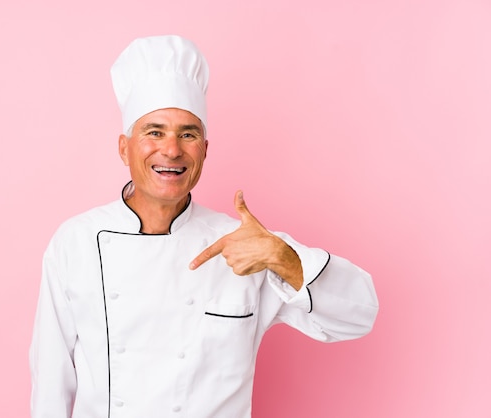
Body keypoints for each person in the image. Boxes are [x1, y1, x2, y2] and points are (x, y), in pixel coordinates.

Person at [29, 35, 378, 418]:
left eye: (188, 134)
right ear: (124, 148)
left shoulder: (246, 245)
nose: (172, 149)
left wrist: (284, 258)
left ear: (205, 150)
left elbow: (360, 314)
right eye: (154, 131)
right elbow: (51, 382)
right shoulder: (75, 242)